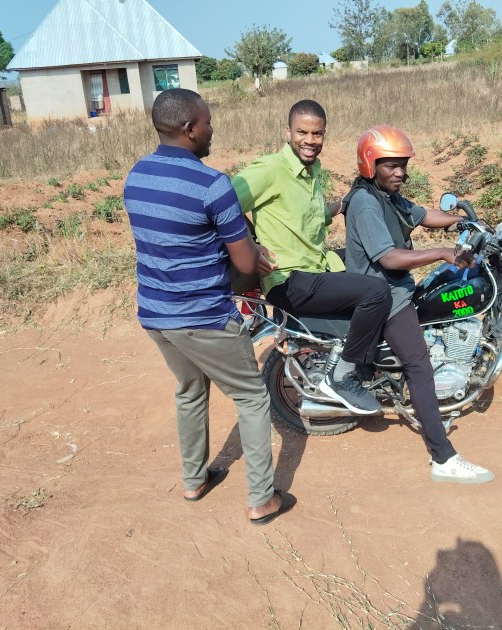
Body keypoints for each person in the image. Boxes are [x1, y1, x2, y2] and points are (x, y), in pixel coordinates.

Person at [123, 89, 295, 525]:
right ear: (189, 129)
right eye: (207, 122)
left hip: (157, 315)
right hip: (204, 317)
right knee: (253, 398)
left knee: (189, 391)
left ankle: (194, 479)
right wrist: (253, 250)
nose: (211, 129)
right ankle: (261, 498)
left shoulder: (137, 175)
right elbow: (242, 261)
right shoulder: (212, 185)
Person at [342, 125, 494, 484]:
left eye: (403, 165)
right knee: (419, 367)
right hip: (383, 296)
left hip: (394, 290)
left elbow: (424, 215)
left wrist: (465, 220)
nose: (400, 173)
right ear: (370, 164)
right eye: (390, 165)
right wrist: (442, 252)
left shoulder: (387, 196)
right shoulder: (365, 203)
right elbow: (391, 258)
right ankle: (443, 458)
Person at [231, 100, 392, 415]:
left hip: (314, 268)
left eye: (317, 133)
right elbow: (221, 203)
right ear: (288, 132)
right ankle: (343, 374)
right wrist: (251, 245)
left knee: (379, 264)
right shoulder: (272, 169)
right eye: (302, 131)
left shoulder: (310, 170)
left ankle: (376, 357)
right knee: (376, 292)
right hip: (289, 280)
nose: (310, 140)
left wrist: (343, 204)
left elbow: (311, 215)